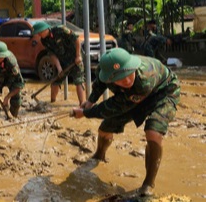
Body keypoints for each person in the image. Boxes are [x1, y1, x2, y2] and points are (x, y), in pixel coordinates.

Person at [72, 48, 180, 196]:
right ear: (110, 77)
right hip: (131, 96)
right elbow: (100, 85)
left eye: (129, 74)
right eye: (121, 78)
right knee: (105, 127)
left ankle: (148, 184)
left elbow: (112, 107)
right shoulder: (104, 71)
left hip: (163, 92)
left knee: (153, 131)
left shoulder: (144, 79)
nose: (127, 80)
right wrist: (89, 102)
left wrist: (85, 113)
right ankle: (99, 155)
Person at [32, 21, 85, 105]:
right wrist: (59, 68)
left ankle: (82, 104)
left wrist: (78, 56)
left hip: (74, 58)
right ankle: (52, 103)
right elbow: (52, 54)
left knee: (78, 80)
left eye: (39, 33)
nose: (39, 35)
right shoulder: (44, 41)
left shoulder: (60, 30)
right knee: (55, 82)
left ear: (45, 30)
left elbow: (76, 39)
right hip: (62, 60)